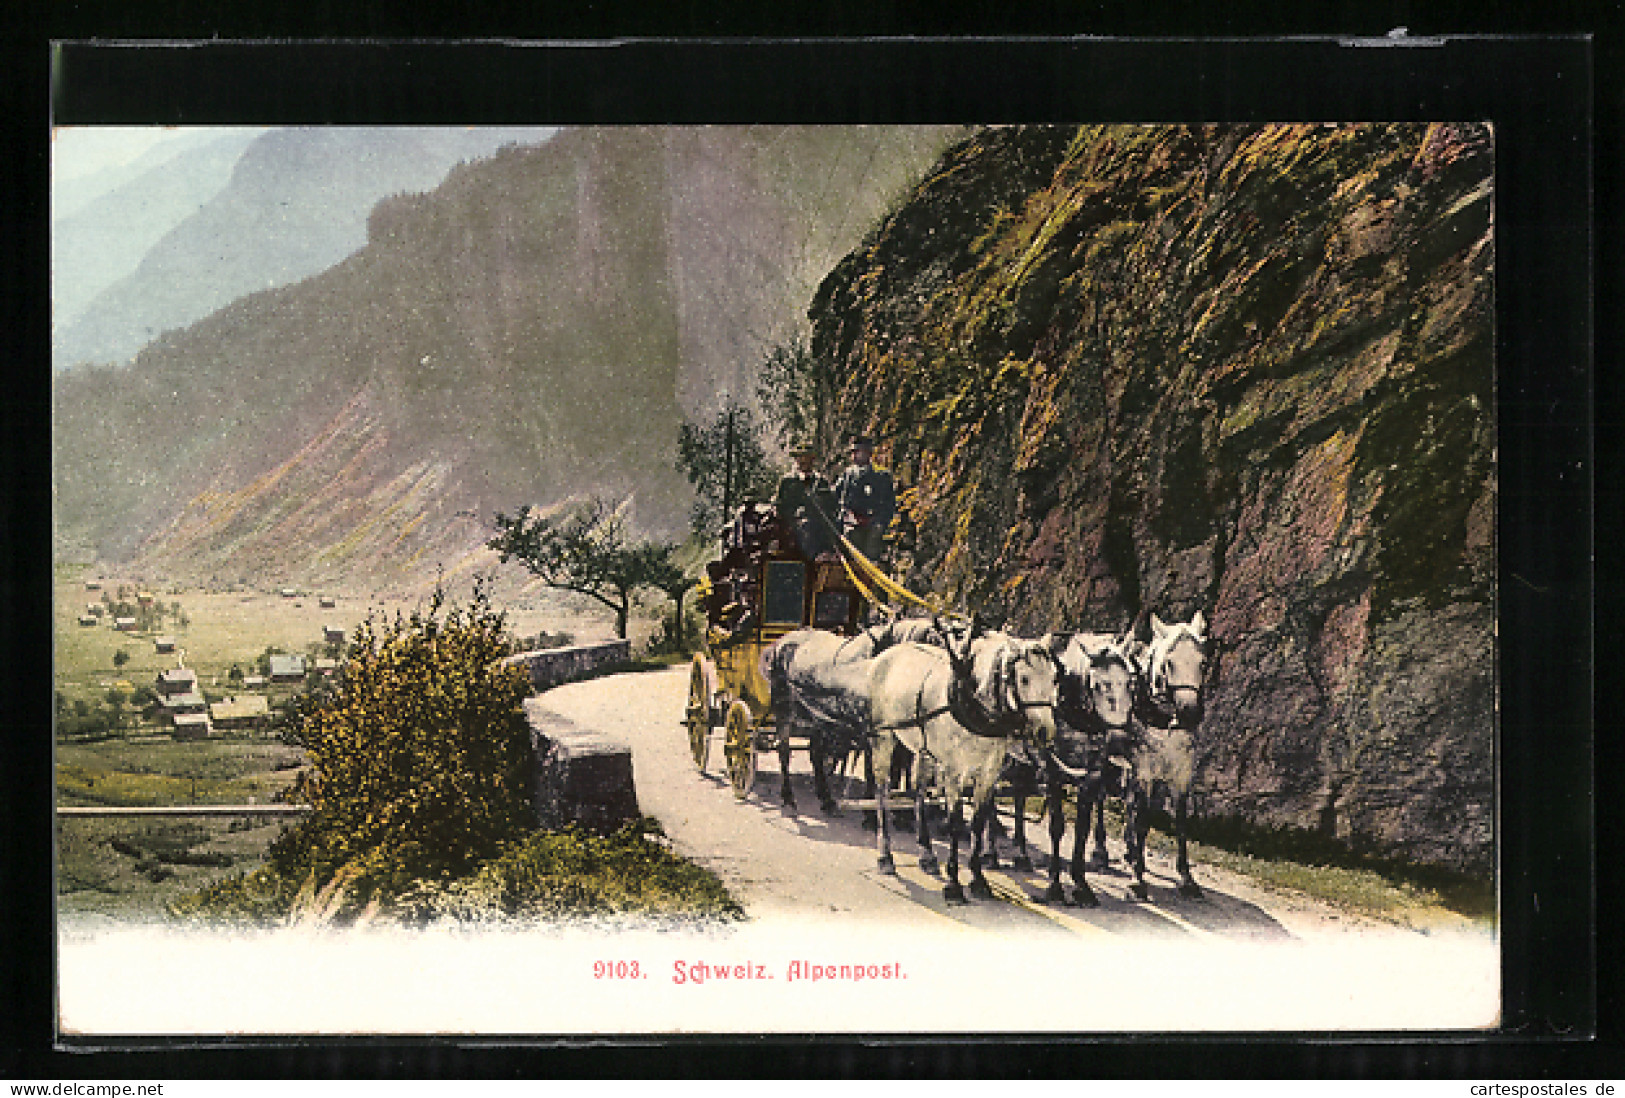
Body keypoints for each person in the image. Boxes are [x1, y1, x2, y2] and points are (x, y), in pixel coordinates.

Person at [834, 434, 895, 565]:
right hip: (851, 524)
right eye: (853, 452)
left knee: (873, 548)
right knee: (849, 543)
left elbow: (889, 504)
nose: (855, 456)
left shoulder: (881, 476)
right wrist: (845, 517)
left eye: (859, 452)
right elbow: (836, 500)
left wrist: (880, 522)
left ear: (868, 453)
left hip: (873, 523)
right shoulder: (847, 476)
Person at [775, 440, 839, 559]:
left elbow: (830, 507)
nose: (803, 461)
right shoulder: (787, 481)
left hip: (817, 526)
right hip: (792, 526)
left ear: (812, 460)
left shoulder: (821, 482)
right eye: (800, 458)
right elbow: (780, 506)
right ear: (796, 460)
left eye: (807, 458)